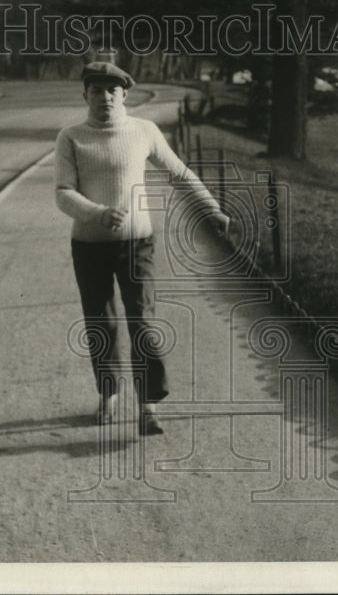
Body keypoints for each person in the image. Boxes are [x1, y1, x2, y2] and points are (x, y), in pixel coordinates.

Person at [55, 61, 230, 435]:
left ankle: (148, 405)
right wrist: (98, 213)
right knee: (101, 324)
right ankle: (109, 394)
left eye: (112, 91)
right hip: (89, 246)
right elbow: (63, 193)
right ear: (85, 95)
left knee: (143, 322)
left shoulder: (143, 131)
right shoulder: (70, 137)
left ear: (125, 95)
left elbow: (179, 173)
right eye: (96, 91)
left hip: (139, 245)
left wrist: (210, 208)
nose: (105, 98)